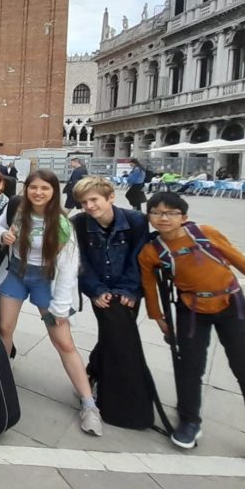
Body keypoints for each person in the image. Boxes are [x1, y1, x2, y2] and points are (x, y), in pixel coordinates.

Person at [138, 192, 245, 471]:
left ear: (184, 217)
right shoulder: (151, 251)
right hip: (191, 309)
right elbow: (149, 286)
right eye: (156, 212)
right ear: (149, 216)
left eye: (170, 212)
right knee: (189, 367)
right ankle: (189, 421)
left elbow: (234, 256)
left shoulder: (205, 233)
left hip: (231, 304)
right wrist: (157, 317)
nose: (163, 218)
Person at [0, 169, 102, 436]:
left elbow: (68, 267)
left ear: (54, 192)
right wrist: (3, 235)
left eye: (45, 188)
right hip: (15, 275)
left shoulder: (62, 223)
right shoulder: (16, 208)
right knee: (4, 330)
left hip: (47, 281)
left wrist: (61, 306)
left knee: (63, 341)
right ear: (26, 188)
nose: (38, 192)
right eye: (33, 187)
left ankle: (89, 403)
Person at [71, 176, 151, 428]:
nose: (90, 206)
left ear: (111, 197)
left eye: (94, 200)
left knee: (114, 334)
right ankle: (102, 382)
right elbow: (79, 261)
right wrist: (96, 290)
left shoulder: (136, 221)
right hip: (100, 290)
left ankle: (93, 372)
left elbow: (139, 257)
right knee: (114, 332)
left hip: (128, 290)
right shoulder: (80, 224)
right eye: (84, 202)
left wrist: (129, 289)